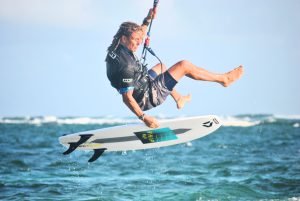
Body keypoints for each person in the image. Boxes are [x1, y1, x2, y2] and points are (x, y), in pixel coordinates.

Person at [106, 8, 244, 128]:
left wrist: (148, 19)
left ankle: (178, 98)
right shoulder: (126, 66)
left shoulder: (116, 46)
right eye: (135, 40)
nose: (139, 42)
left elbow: (140, 32)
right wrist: (144, 118)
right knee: (184, 65)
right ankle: (224, 79)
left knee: (161, 67)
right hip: (147, 97)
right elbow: (127, 98)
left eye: (139, 39)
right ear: (124, 39)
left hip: (142, 83)